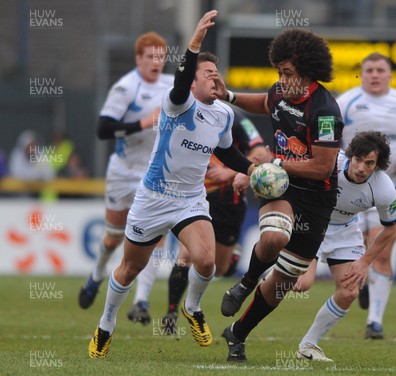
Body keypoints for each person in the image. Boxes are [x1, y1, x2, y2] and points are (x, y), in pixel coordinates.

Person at [88, 10, 256, 358]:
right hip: (153, 197)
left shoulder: (223, 114)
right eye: (206, 73)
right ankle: (105, 324)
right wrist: (194, 42)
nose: (214, 78)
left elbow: (229, 154)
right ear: (193, 82)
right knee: (130, 268)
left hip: (190, 200)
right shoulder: (177, 103)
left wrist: (254, 170)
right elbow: (179, 83)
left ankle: (192, 308)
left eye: (216, 73)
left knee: (207, 261)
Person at [216, 28, 343, 362]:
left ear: (307, 71)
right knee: (273, 238)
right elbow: (264, 101)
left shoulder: (326, 111)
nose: (281, 80)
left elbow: (322, 167)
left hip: (316, 198)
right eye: (279, 72)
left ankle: (237, 334)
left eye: (287, 73)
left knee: (285, 282)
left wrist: (275, 161)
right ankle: (245, 283)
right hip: (282, 187)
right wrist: (227, 96)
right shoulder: (280, 91)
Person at [77, 30, 172, 327]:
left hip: (154, 172)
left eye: (161, 57)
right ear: (138, 59)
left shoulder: (172, 86)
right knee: (113, 236)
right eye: (150, 57)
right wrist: (144, 122)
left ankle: (141, 301)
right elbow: (104, 129)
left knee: (155, 237)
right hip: (123, 170)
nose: (156, 62)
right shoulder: (125, 87)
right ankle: (96, 275)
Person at [292, 131, 396, 362]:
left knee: (350, 290)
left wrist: (364, 262)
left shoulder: (384, 188)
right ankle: (267, 272)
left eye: (369, 163)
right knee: (302, 284)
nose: (361, 168)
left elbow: (391, 227)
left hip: (346, 230)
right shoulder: (331, 162)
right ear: (349, 155)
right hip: (313, 224)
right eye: (358, 159)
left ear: (378, 165)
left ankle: (308, 346)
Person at [159, 107, 267, 334]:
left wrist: (230, 172)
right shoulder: (182, 115)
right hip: (194, 198)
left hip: (229, 201)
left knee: (219, 268)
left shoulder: (235, 117)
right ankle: (171, 313)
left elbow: (260, 151)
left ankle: (232, 258)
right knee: (186, 256)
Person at [335, 52, 396, 339]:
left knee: (381, 251)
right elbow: (330, 139)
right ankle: (365, 285)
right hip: (351, 189)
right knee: (363, 245)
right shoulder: (346, 102)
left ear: (390, 74)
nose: (375, 74)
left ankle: (375, 322)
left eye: (381, 70)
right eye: (369, 69)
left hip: (391, 188)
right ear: (362, 73)